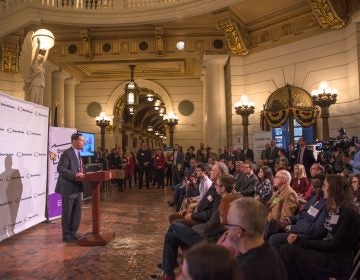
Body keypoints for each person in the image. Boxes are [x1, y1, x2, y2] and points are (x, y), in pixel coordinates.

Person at [280, 174, 360, 279]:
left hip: (336, 259)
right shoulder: (332, 207)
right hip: (326, 251)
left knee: (288, 251)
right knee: (287, 248)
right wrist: (299, 239)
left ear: (334, 189)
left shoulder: (348, 213)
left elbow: (334, 244)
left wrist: (302, 242)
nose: (322, 188)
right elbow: (323, 233)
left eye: (325, 186)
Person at [226, 197, 288, 280]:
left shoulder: (243, 272)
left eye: (228, 226)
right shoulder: (272, 257)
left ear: (238, 232)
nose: (227, 232)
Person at [268, 174, 326, 250]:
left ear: (284, 179)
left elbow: (286, 212)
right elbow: (301, 215)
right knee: (268, 227)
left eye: (277, 177)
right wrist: (287, 219)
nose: (274, 179)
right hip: (291, 224)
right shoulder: (279, 192)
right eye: (312, 186)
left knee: (272, 236)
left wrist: (288, 225)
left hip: (303, 233)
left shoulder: (289, 193)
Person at [55, 132, 85, 243]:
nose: (84, 142)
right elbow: (61, 168)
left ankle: (73, 233)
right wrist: (75, 175)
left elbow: (79, 168)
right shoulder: (67, 153)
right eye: (81, 140)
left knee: (77, 211)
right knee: (67, 212)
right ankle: (67, 235)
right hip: (68, 188)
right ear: (74, 141)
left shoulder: (78, 154)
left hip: (77, 187)